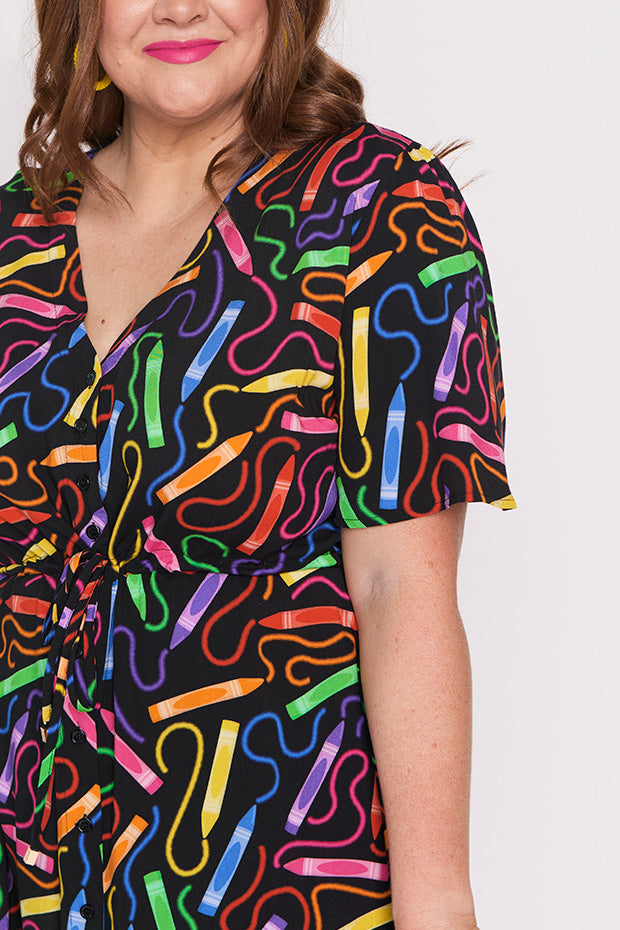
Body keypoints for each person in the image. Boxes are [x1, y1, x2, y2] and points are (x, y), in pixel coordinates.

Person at [0, 1, 515, 928]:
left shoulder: (382, 211)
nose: (179, 7)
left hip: (272, 875)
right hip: (26, 866)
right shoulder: (15, 237)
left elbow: (400, 589)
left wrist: (439, 905)